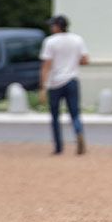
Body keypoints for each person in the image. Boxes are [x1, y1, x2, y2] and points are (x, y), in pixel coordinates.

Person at [39, 15, 89, 155]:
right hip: (72, 79)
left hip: (55, 83)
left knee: (55, 116)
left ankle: (58, 147)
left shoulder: (50, 42)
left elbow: (46, 66)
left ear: (57, 27)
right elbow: (85, 60)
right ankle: (78, 132)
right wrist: (72, 63)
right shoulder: (77, 39)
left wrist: (42, 87)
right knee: (75, 113)